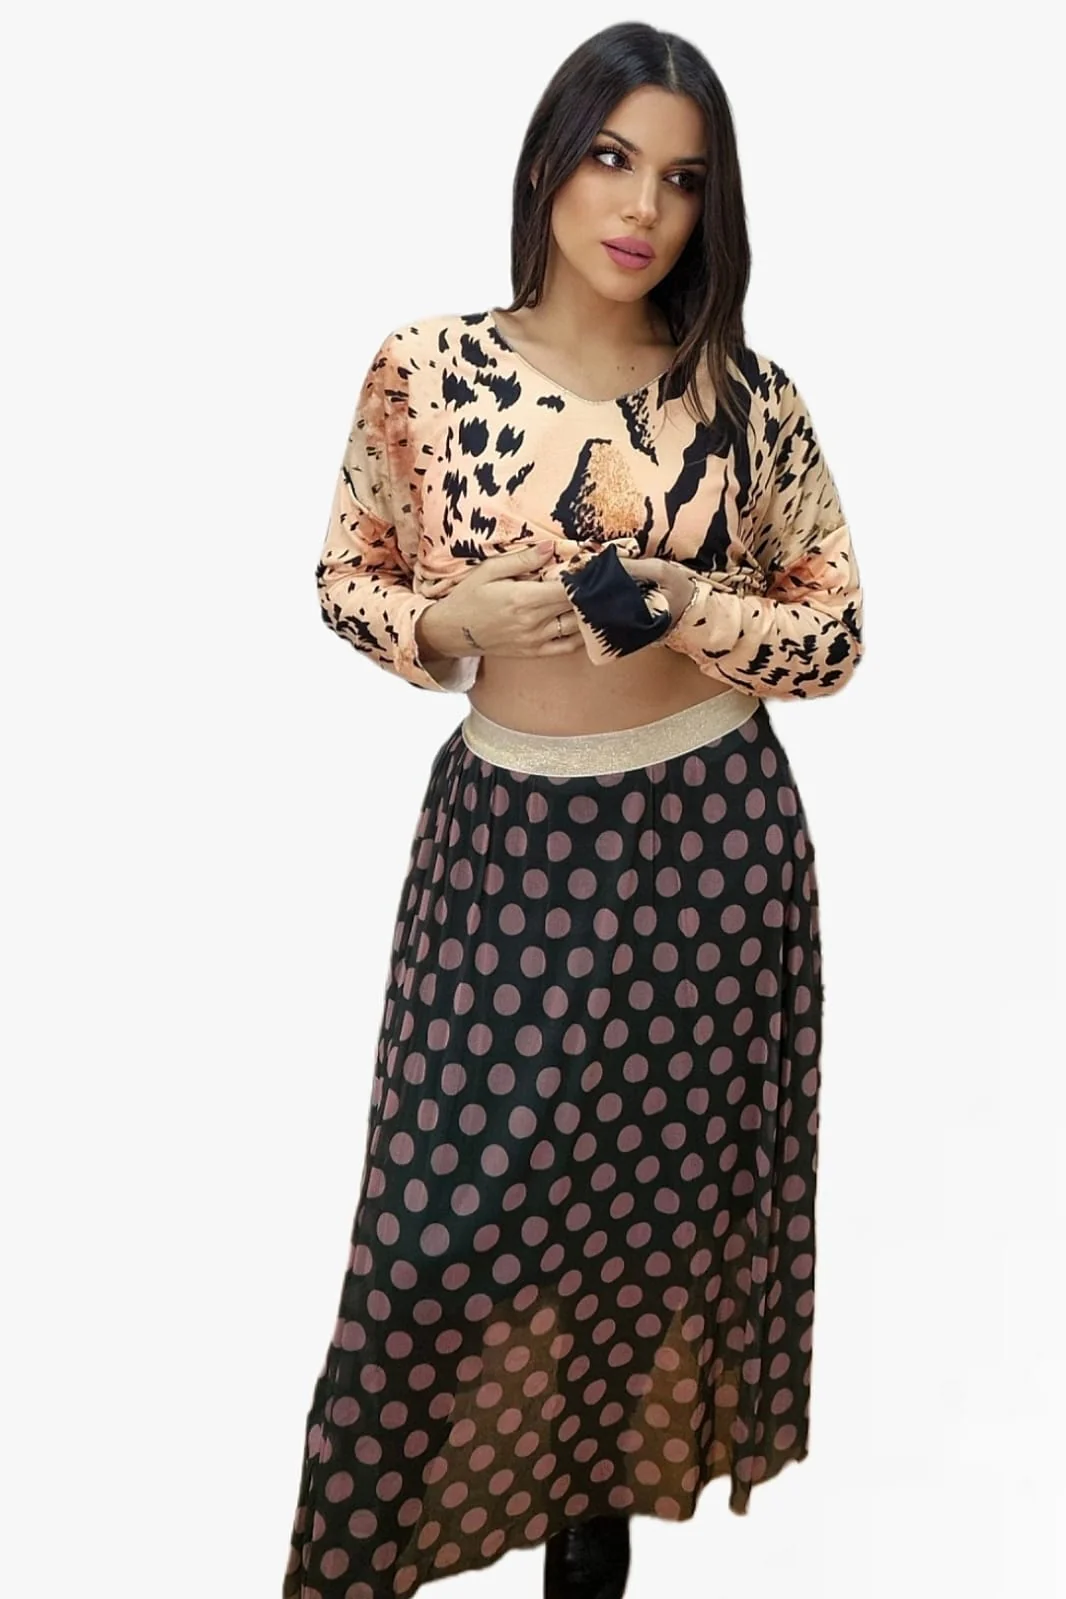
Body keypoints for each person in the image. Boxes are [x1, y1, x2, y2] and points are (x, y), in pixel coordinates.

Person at [282, 21, 863, 1599]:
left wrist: (686, 603)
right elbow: (345, 572)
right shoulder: (426, 368)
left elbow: (831, 636)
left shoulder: (745, 396)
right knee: (433, 1250)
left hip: (709, 849)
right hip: (506, 846)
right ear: (548, 160)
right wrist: (448, 619)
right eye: (611, 158)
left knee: (639, 1247)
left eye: (683, 178)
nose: (641, 207)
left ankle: (589, 1559)